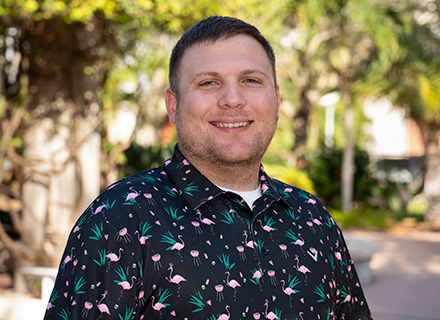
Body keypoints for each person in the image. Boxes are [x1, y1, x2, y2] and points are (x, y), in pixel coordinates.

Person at [44, 16, 373, 320]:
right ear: (173, 105)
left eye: (250, 80)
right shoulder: (122, 218)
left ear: (275, 99)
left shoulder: (313, 220)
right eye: (208, 83)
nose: (232, 99)